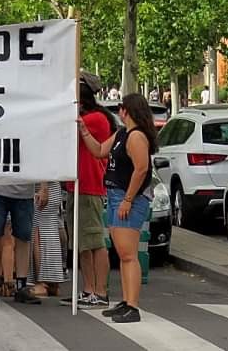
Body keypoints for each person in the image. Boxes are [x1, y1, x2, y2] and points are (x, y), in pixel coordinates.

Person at [80, 93, 157, 324]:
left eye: (121, 108)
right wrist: (84, 131)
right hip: (115, 194)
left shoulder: (136, 137)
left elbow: (141, 169)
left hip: (127, 196)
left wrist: (129, 199)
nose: (119, 112)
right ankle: (126, 300)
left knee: (127, 254)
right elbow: (100, 150)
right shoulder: (122, 134)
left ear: (127, 110)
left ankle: (133, 305)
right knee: (122, 253)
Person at [63, 72, 112, 308]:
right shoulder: (90, 117)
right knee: (82, 242)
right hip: (78, 185)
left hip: (89, 186)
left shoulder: (94, 119)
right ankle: (88, 288)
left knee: (93, 241)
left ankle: (99, 290)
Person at [0, 180, 47, 305]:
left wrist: (43, 187)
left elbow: (40, 160)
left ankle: (21, 286)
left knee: (23, 237)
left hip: (24, 191)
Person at [32, 181, 65, 297]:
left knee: (38, 234)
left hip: (41, 186)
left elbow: (42, 163)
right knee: (51, 233)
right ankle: (52, 283)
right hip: (52, 186)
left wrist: (43, 187)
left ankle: (41, 283)